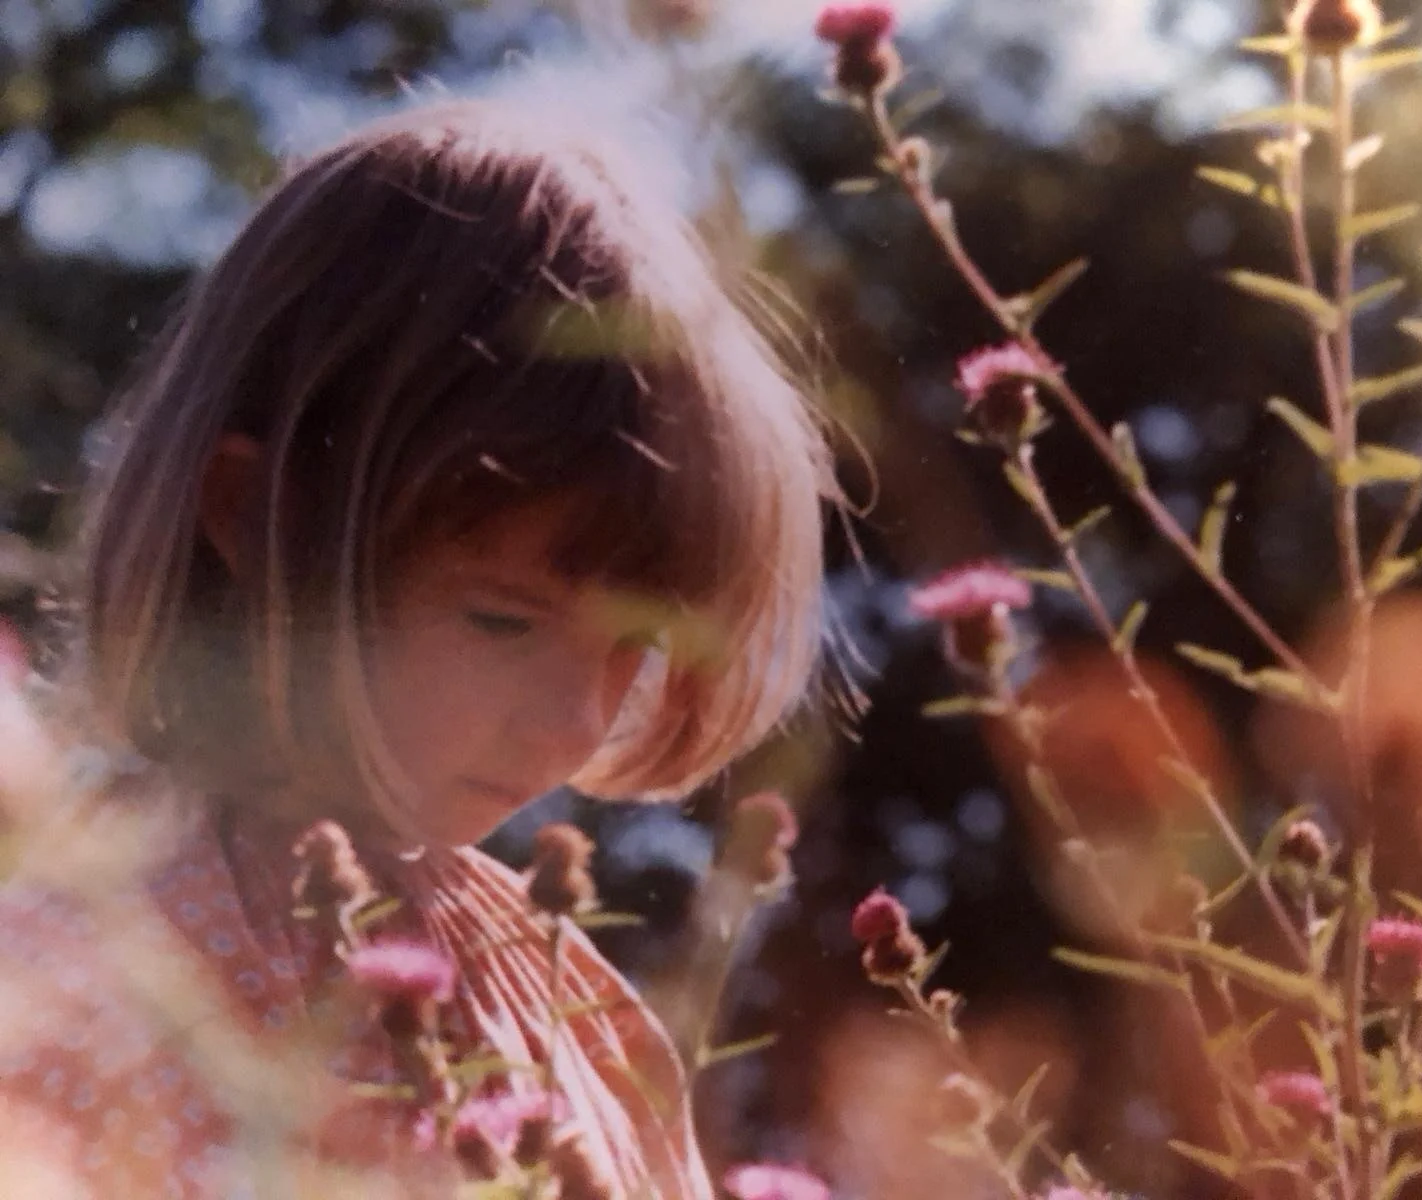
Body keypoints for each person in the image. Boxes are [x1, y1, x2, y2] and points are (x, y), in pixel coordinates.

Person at [0, 93, 831, 1198]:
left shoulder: (579, 1016)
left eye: (635, 648)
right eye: (502, 619)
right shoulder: (79, 971)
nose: (579, 720)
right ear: (255, 517)